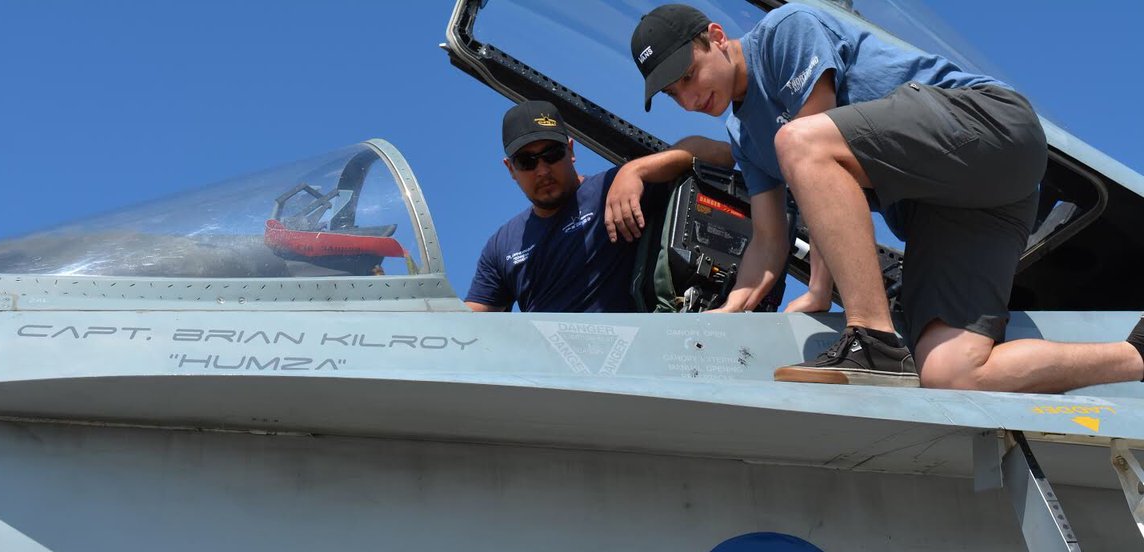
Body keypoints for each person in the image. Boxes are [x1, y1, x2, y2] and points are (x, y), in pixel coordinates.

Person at [606, 3, 1144, 391]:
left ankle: (873, 340)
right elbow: (769, 244)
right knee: (949, 371)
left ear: (716, 36)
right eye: (672, 92)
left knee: (797, 141)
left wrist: (819, 293)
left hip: (991, 130)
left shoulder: (786, 30)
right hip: (962, 204)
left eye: (689, 74)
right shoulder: (744, 136)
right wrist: (726, 314)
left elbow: (816, 142)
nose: (689, 96)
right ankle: (1133, 356)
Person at [466, 100, 663, 313]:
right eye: (526, 162)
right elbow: (466, 323)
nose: (542, 170)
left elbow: (699, 151)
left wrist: (634, 170)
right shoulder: (501, 246)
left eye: (551, 154)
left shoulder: (613, 188)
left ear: (570, 150)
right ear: (511, 169)